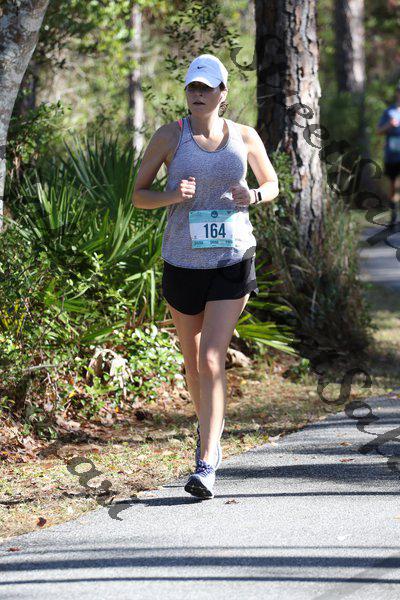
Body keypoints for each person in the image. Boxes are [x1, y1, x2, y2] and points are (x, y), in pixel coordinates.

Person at [132, 54, 279, 499]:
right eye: (192, 87)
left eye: (206, 87)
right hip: (182, 261)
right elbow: (138, 195)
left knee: (213, 357)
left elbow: (271, 184)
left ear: (222, 93)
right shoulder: (169, 136)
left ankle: (206, 459)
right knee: (194, 361)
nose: (198, 94)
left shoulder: (245, 136)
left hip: (232, 258)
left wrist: (253, 195)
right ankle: (210, 429)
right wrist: (172, 195)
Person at [377, 81, 400, 225]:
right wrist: (389, 125)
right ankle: (394, 214)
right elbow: (378, 131)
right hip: (392, 155)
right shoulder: (389, 112)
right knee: (393, 185)